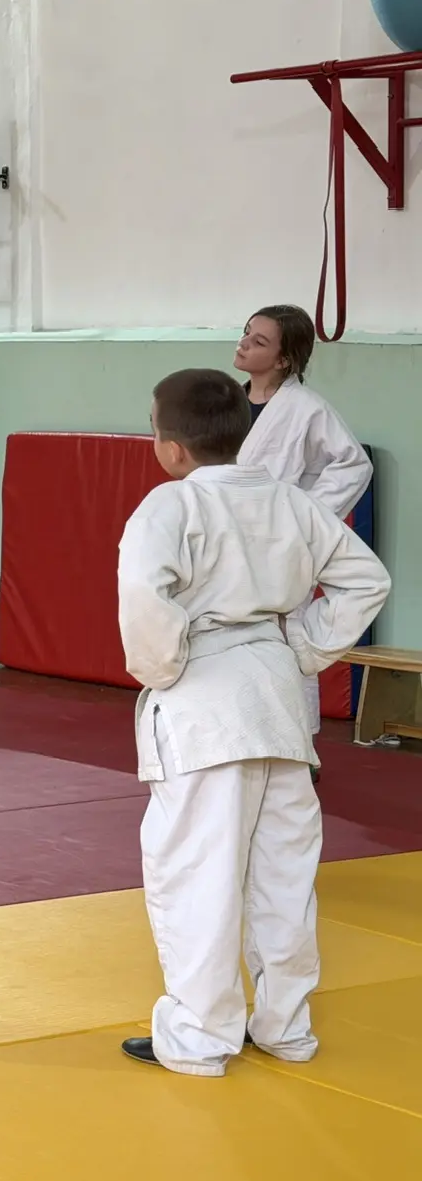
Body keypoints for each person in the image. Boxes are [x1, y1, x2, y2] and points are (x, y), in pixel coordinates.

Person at [116, 369, 388, 1076]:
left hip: (203, 703)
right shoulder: (291, 502)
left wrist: (163, 668)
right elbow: (367, 580)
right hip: (278, 700)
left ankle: (200, 1038)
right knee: (283, 879)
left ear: (170, 447)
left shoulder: (170, 505)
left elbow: (144, 595)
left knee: (198, 875)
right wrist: (304, 647)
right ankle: (285, 1027)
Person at [232, 305, 373, 745]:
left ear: (284, 360)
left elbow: (353, 464)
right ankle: (242, 739)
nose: (243, 343)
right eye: (245, 333)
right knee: (230, 643)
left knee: (283, 640)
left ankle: (299, 747)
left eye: (258, 341)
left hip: (282, 543)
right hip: (228, 540)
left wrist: (305, 513)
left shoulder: (306, 409)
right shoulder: (225, 402)